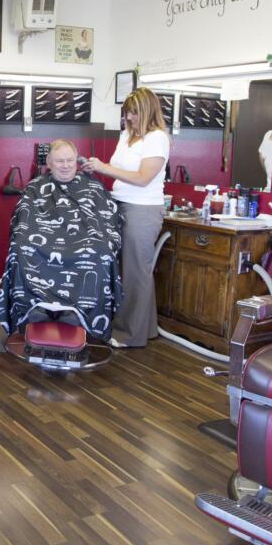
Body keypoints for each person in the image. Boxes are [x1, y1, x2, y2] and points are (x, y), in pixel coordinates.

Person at [0, 139, 122, 339]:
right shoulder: (35, 187)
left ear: (77, 161)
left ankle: (78, 313)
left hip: (84, 242)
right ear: (48, 162)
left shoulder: (92, 187)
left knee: (103, 251)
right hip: (43, 243)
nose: (65, 165)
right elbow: (22, 221)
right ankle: (36, 308)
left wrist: (103, 240)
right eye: (59, 161)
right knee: (20, 247)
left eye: (69, 160)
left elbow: (108, 223)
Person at [83, 87, 170, 349]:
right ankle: (147, 328)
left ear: (146, 111)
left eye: (133, 113)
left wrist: (104, 168)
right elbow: (120, 171)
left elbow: (143, 178)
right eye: (126, 113)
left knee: (136, 271)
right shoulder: (127, 136)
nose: (129, 118)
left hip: (142, 209)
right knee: (124, 271)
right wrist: (98, 167)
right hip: (119, 205)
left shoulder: (157, 138)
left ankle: (131, 334)